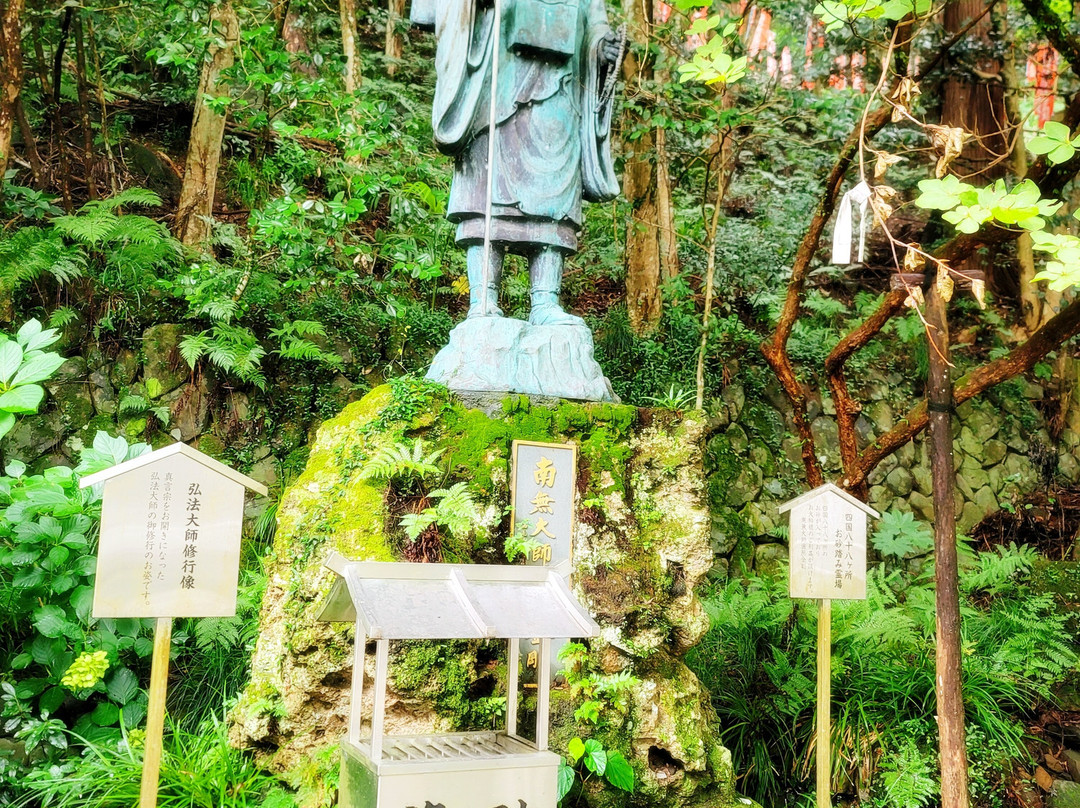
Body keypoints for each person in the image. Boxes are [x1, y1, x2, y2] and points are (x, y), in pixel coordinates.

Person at [412, 0, 622, 326]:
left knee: (553, 194)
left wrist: (601, 47)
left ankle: (546, 300)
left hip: (559, 91)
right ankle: (483, 298)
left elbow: (594, 22)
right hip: (495, 81)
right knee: (487, 187)